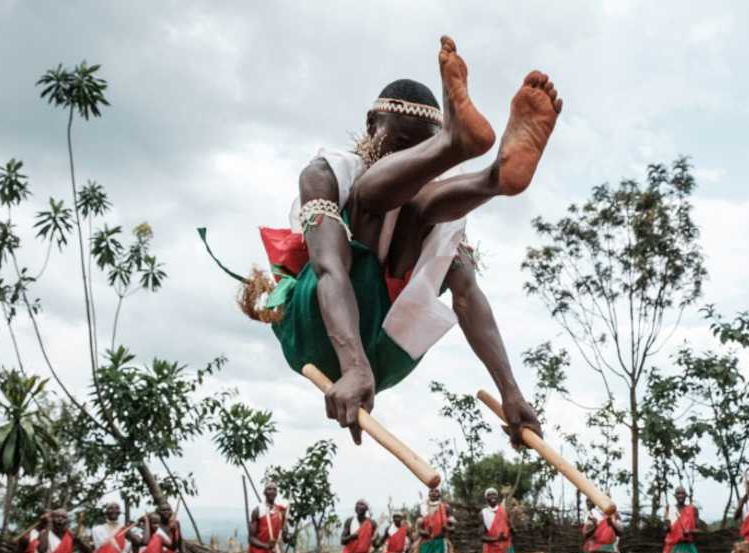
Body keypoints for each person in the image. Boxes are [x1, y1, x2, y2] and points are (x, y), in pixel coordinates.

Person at [203, 36, 557, 450]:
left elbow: (468, 296)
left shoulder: (441, 217)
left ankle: (495, 178)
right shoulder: (325, 174)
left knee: (420, 207)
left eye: (425, 150)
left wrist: (512, 392)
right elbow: (330, 268)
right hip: (320, 332)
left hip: (384, 350)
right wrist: (352, 366)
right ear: (372, 126)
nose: (413, 163)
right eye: (406, 147)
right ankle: (459, 149)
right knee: (368, 201)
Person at [662, 486, 708, 553]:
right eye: (678, 493)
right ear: (675, 496)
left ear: (686, 496)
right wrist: (666, 527)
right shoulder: (669, 509)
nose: (680, 495)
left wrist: (690, 531)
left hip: (688, 546)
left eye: (682, 493)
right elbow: (665, 529)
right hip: (673, 546)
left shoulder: (693, 510)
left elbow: (700, 530)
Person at [417, 486, 455, 553]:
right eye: (431, 491)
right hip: (426, 542)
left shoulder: (446, 507)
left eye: (436, 491)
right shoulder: (424, 507)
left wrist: (447, 528)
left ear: (440, 494)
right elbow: (419, 527)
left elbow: (453, 527)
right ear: (428, 494)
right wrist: (424, 532)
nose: (433, 493)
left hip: (440, 542)